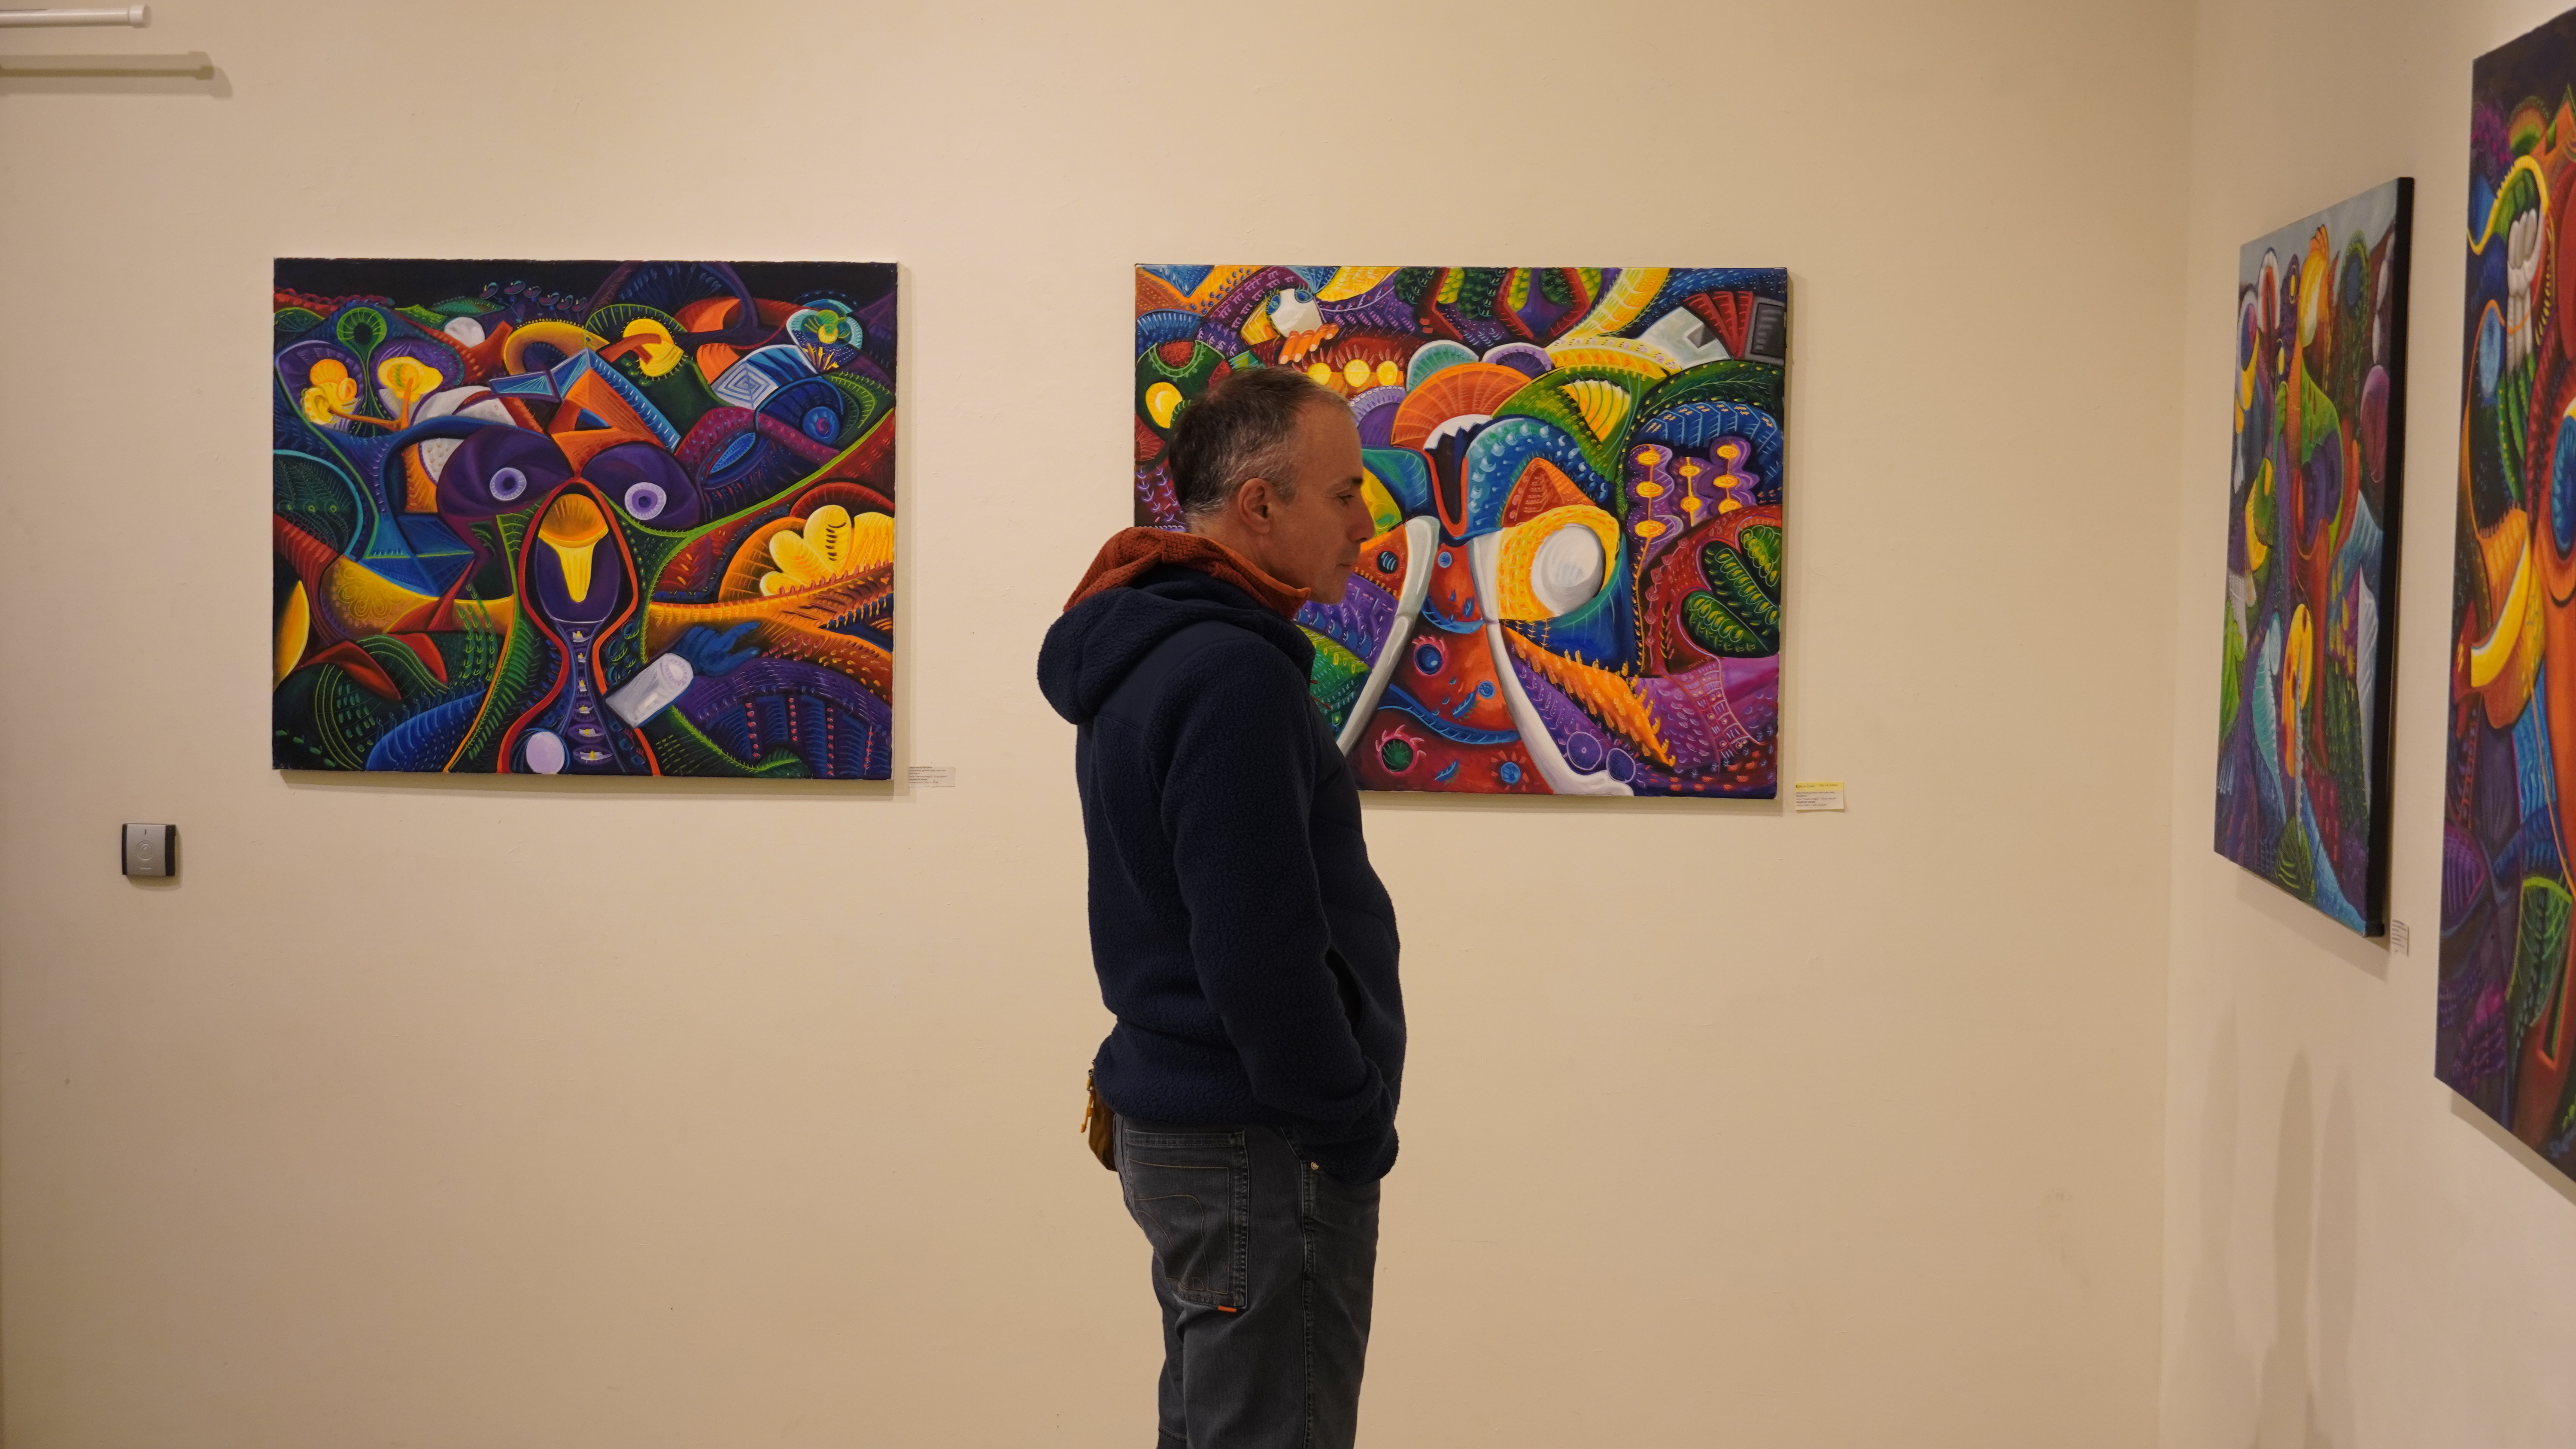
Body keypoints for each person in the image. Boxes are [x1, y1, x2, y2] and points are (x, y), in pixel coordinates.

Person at [1037, 367, 1404, 1449]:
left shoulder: (1152, 651)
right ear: (1260, 504)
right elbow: (1256, 948)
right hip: (1260, 1138)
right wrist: (1347, 1117)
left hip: (1200, 1128)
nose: (1365, 521)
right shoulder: (1231, 674)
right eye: (1343, 492)